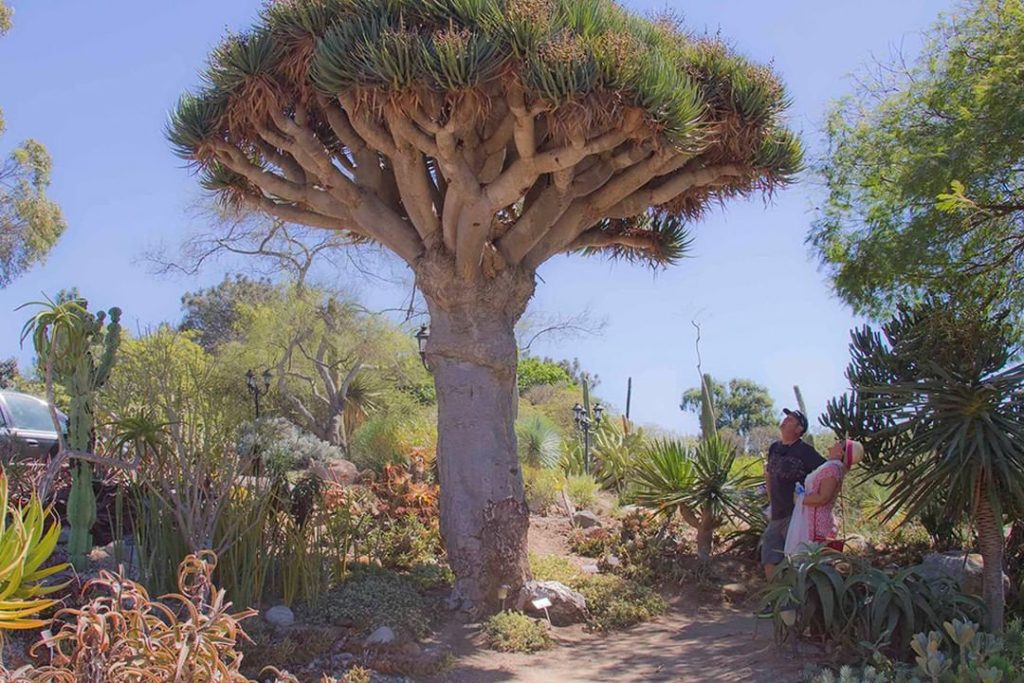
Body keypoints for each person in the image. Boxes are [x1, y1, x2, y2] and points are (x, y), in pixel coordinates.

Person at [761, 408, 825, 579]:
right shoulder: (775, 448)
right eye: (786, 418)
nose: (785, 420)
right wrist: (771, 500)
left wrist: (815, 500)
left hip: (797, 514)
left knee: (795, 557)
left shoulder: (806, 451)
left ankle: (795, 600)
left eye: (791, 419)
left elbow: (826, 472)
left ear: (799, 429)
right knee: (770, 554)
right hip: (777, 513)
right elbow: (769, 474)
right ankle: (775, 599)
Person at [784, 438, 864, 555]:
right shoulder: (833, 467)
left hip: (816, 526)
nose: (836, 441)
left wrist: (799, 499)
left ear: (841, 452)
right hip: (813, 521)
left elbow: (823, 498)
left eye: (840, 442)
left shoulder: (832, 469)